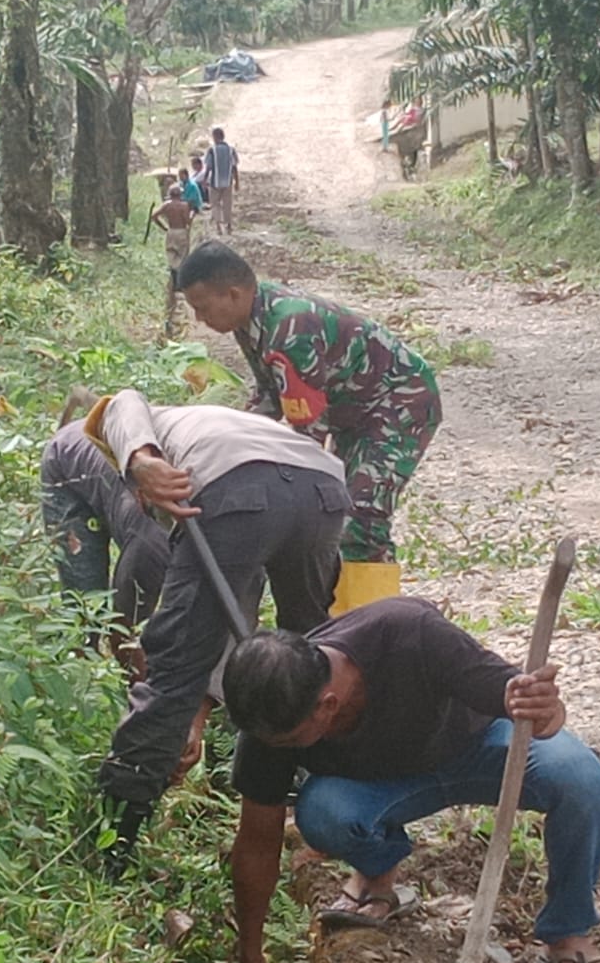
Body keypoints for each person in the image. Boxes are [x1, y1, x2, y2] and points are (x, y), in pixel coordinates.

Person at [220, 597, 600, 963]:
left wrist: (546, 709)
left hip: (477, 746)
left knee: (581, 780)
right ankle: (378, 877)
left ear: (327, 707)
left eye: (290, 742)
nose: (279, 750)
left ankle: (568, 932)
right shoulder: (269, 720)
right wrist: (250, 952)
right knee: (324, 814)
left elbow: (532, 711)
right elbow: (257, 841)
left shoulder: (409, 631)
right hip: (381, 785)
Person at [85, 389, 350, 865]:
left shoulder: (140, 428)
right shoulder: (217, 424)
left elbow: (121, 400)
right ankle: (329, 801)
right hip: (324, 490)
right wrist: (200, 714)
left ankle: (114, 843)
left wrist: (140, 459)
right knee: (313, 657)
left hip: (238, 488)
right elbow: (234, 607)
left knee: (172, 673)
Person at [175, 241, 440, 582]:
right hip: (353, 411)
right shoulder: (250, 320)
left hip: (399, 402)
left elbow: (307, 435)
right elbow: (271, 396)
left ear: (234, 294)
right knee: (336, 509)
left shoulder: (289, 327)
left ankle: (370, 621)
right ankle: (339, 614)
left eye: (203, 307)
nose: (200, 319)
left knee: (358, 520)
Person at [40, 418, 170, 662]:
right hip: (69, 463)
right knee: (87, 603)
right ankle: (80, 673)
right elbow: (123, 629)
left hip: (129, 450)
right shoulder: (153, 545)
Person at [150, 184, 196, 293]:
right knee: (182, 255)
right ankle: (179, 282)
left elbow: (154, 216)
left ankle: (174, 280)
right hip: (181, 231)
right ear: (180, 194)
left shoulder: (167, 205)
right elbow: (187, 222)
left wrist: (164, 227)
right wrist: (192, 214)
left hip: (171, 231)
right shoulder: (184, 206)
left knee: (172, 255)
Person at [204, 128, 240, 235]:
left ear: (215, 137)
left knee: (215, 204)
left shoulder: (212, 150)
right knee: (227, 204)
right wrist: (237, 182)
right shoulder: (231, 150)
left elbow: (208, 167)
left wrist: (205, 179)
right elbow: (234, 168)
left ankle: (218, 226)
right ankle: (228, 226)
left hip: (215, 182)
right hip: (228, 182)